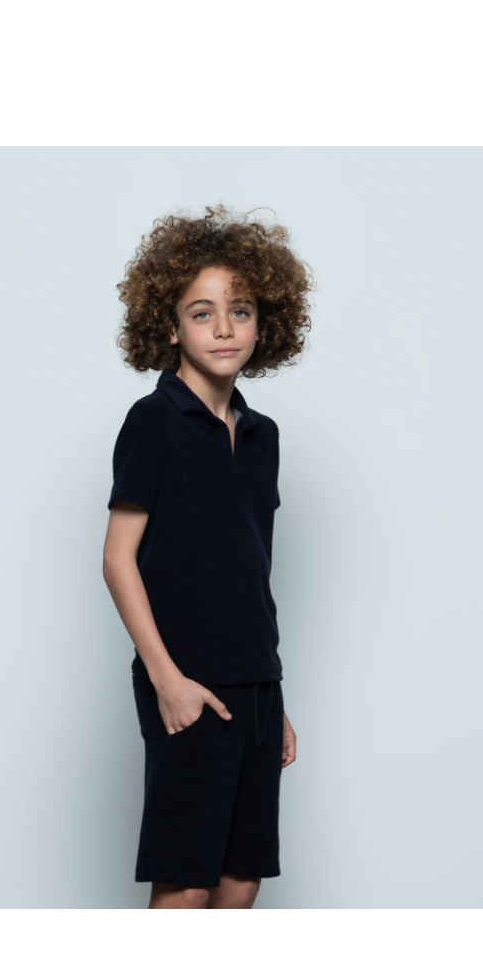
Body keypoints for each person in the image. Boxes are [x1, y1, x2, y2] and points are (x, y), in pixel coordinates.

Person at [102, 203, 314, 908]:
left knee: (241, 877)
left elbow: (250, 573)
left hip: (257, 687)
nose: (223, 328)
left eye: (240, 311)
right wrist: (167, 680)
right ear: (169, 326)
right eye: (202, 313)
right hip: (188, 683)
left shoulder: (263, 435)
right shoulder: (155, 422)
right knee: (188, 882)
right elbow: (118, 559)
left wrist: (272, 697)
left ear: (264, 323)